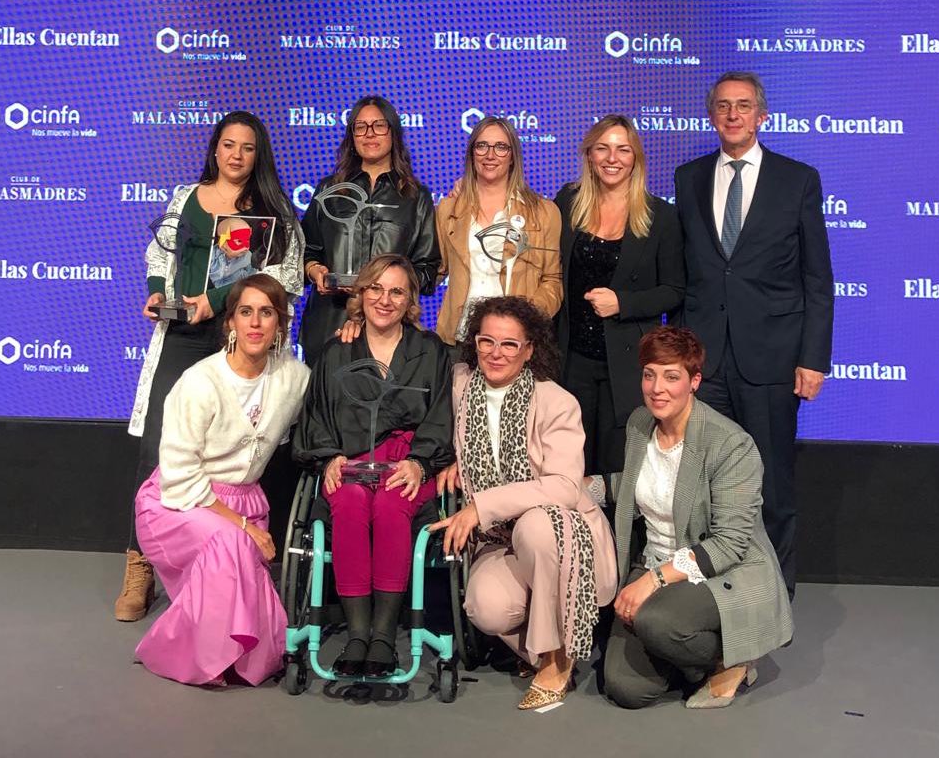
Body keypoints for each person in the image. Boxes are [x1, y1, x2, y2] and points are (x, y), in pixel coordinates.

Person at [117, 112, 304, 622]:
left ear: (258, 155)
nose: (236, 155)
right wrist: (157, 292)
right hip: (182, 335)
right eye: (228, 144)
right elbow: (160, 254)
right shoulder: (186, 198)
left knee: (241, 445)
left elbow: (282, 279)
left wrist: (217, 300)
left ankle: (231, 560)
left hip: (243, 340)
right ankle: (140, 565)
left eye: (247, 147)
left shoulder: (273, 213)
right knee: (159, 445)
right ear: (215, 149)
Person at [673, 72, 833, 596]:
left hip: (772, 359)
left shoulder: (797, 180)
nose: (733, 115)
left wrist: (814, 357)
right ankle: (708, 594)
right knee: (702, 484)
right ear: (711, 116)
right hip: (704, 361)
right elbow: (688, 272)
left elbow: (817, 278)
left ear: (762, 116)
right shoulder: (688, 178)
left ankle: (774, 597)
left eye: (743, 106)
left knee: (772, 486)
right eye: (723, 106)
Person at [431, 297, 617, 710]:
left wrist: (481, 506)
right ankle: (541, 645)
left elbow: (564, 487)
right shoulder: (460, 384)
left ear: (529, 350)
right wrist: (451, 460)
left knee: (536, 524)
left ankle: (556, 660)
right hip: (499, 540)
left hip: (562, 535)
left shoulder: (556, 401)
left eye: (510, 344)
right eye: (487, 341)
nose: (496, 353)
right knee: (486, 608)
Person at [132, 275, 311, 686]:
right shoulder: (200, 382)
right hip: (177, 502)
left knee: (234, 548)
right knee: (231, 543)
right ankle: (195, 655)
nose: (256, 323)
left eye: (266, 313)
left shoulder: (295, 378)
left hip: (245, 501)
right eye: (245, 312)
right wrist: (243, 526)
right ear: (230, 322)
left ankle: (233, 654)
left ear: (281, 324)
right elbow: (179, 475)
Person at [603, 327, 793, 710]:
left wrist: (652, 581)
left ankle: (731, 659)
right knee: (626, 689)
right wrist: (577, 488)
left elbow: (729, 544)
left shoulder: (730, 444)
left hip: (719, 570)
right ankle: (684, 655)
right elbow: (638, 484)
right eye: (649, 375)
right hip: (656, 560)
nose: (657, 388)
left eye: (671, 377)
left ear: (694, 381)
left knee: (653, 622)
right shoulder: (640, 424)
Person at [292, 253, 454, 677]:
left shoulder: (430, 351)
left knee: (389, 503)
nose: (385, 300)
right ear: (361, 293)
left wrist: (420, 462)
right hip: (351, 461)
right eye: (376, 289)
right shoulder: (337, 351)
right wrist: (328, 456)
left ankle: (382, 635)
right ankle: (357, 634)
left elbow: (442, 415)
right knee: (348, 502)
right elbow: (316, 415)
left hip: (408, 463)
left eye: (397, 291)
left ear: (411, 300)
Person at [555, 115, 684, 479]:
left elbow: (674, 290)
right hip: (571, 362)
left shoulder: (661, 216)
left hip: (626, 366)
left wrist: (623, 303)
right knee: (569, 470)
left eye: (623, 150)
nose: (612, 158)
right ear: (589, 155)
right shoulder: (567, 202)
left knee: (619, 473)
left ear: (635, 158)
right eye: (603, 148)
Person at [300, 95, 440, 359]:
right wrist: (315, 271)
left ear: (393, 132)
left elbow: (427, 271)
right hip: (329, 325)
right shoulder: (329, 189)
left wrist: (384, 287)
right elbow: (305, 251)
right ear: (352, 136)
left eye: (379, 125)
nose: (369, 134)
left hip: (390, 331)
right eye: (361, 127)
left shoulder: (415, 196)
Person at [434, 116, 562, 352]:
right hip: (460, 340)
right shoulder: (448, 209)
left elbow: (553, 280)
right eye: (482, 146)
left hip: (516, 340)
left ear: (513, 156)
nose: (490, 155)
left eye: (501, 147)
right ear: (472, 154)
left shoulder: (544, 212)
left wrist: (526, 316)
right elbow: (434, 270)